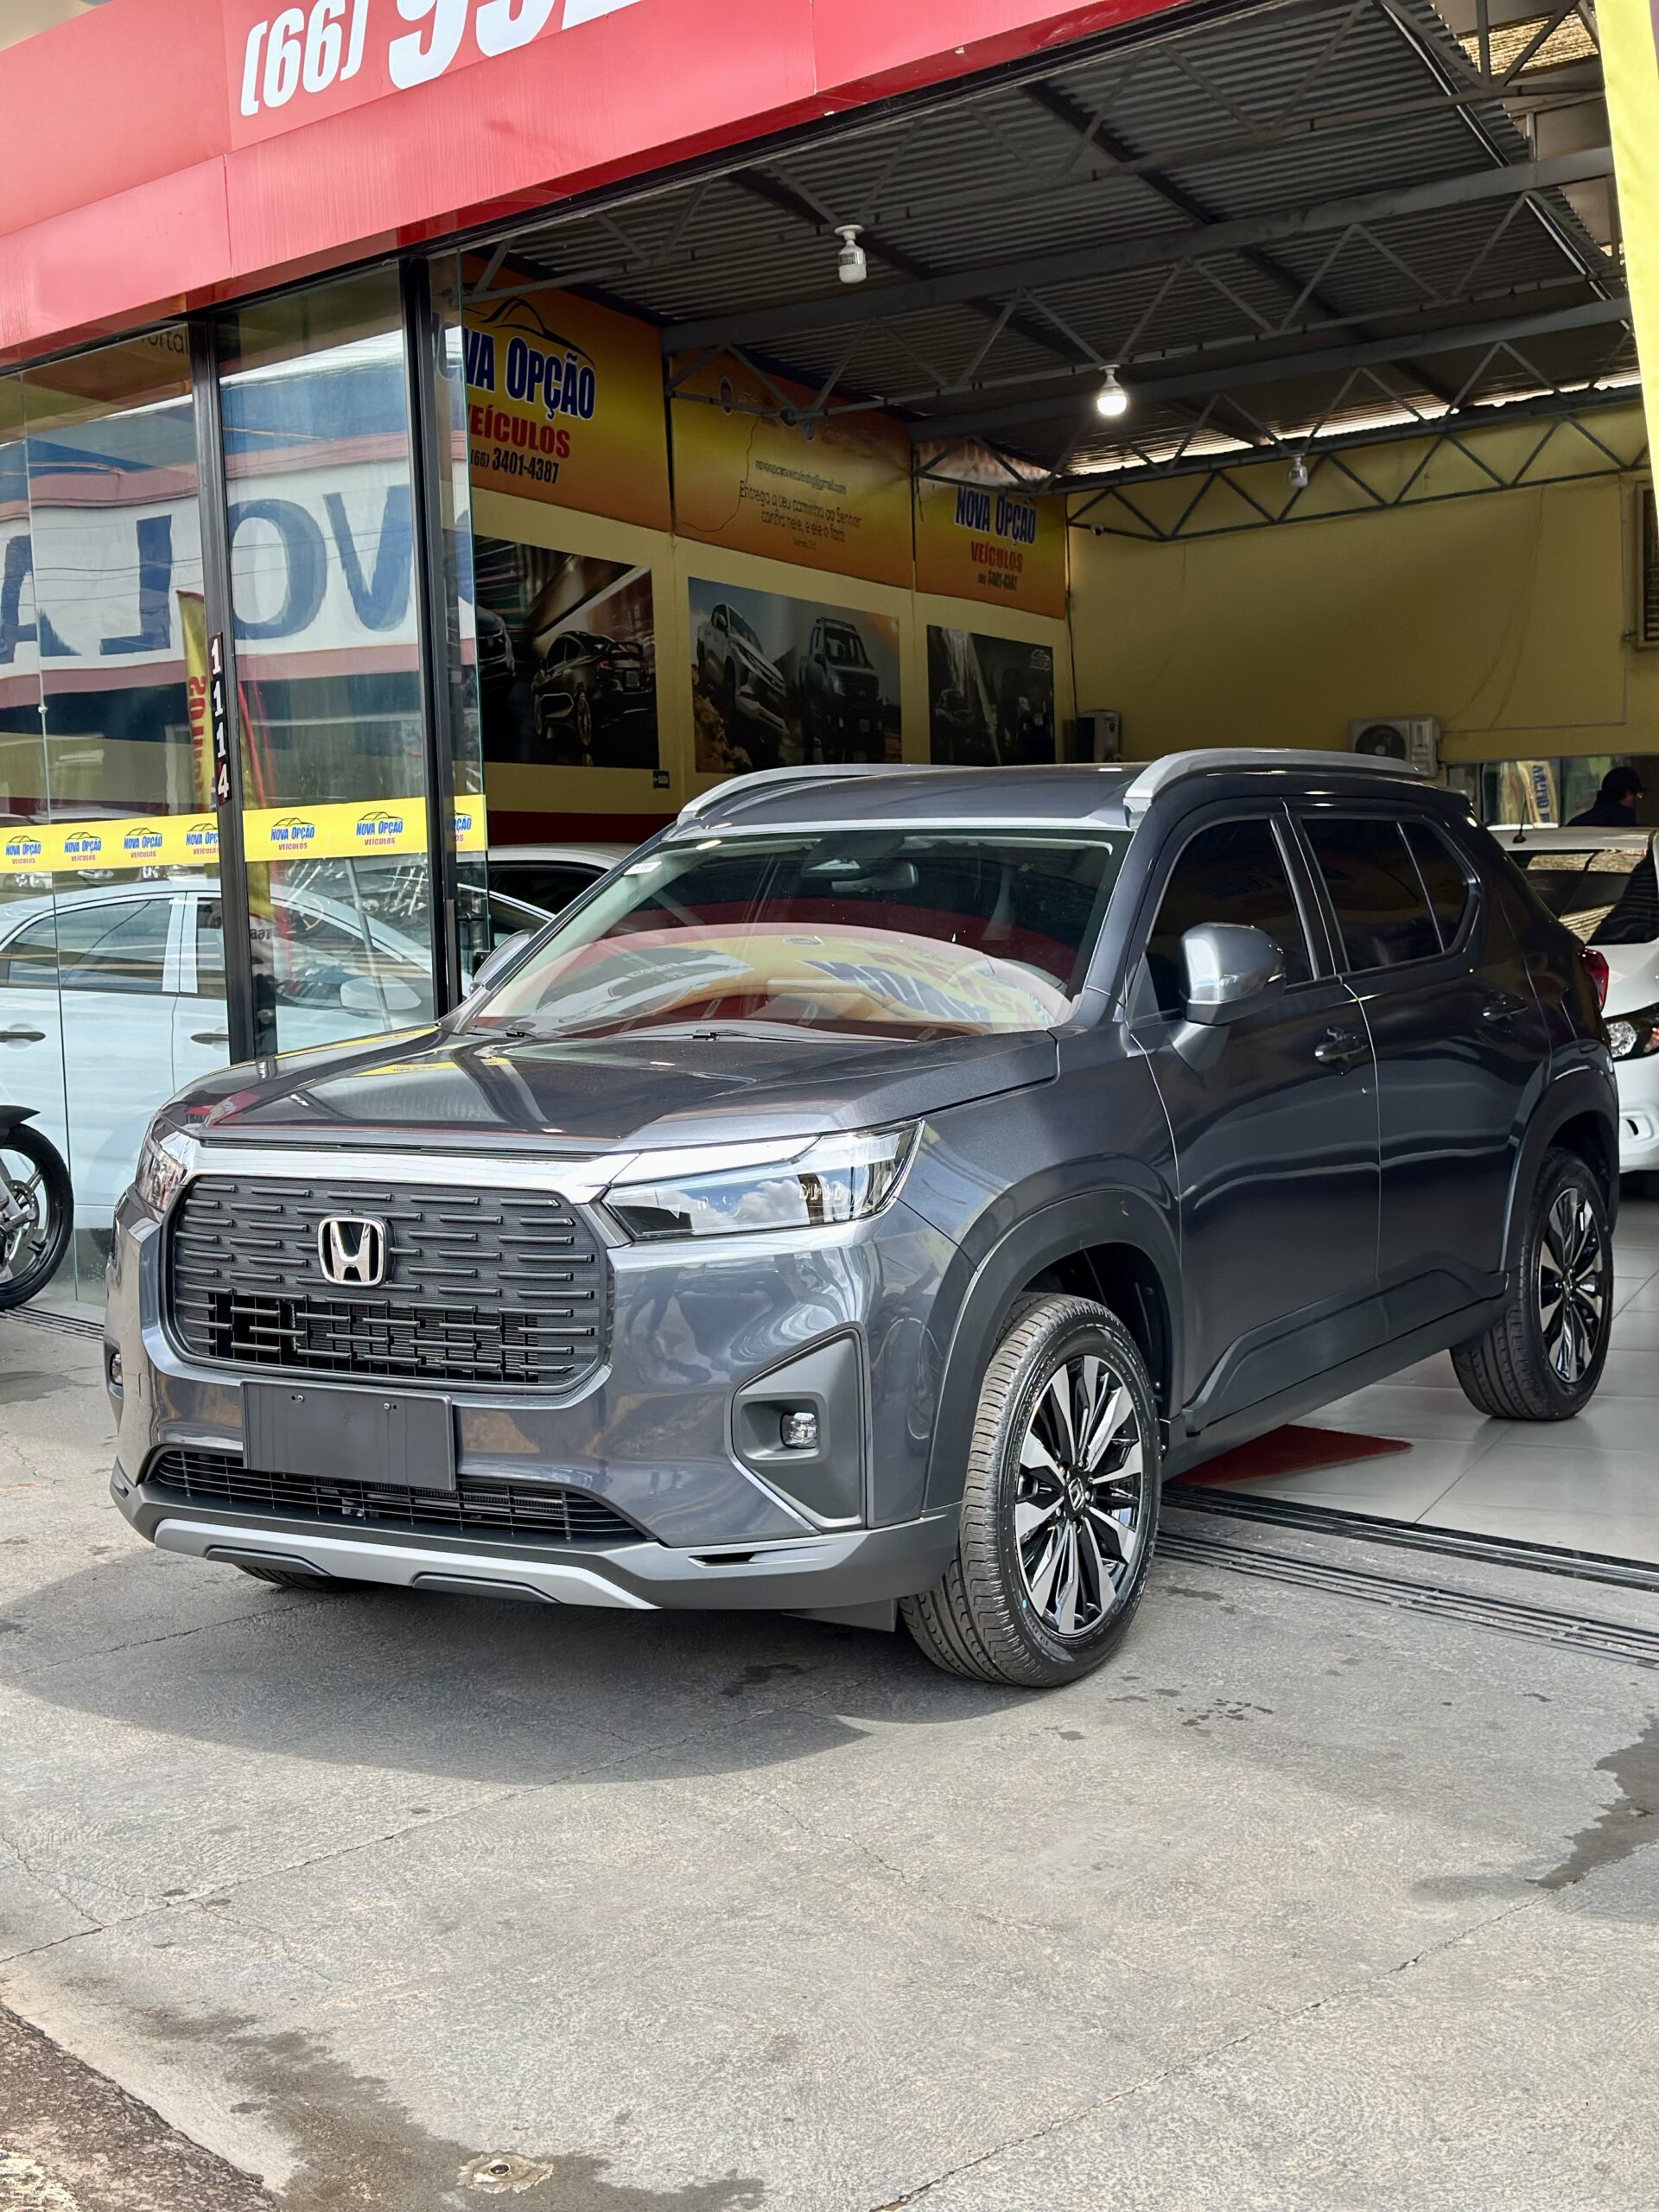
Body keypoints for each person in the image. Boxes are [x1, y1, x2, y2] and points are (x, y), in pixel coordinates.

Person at [1570, 765, 1645, 826]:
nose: (1638, 802)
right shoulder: (1630, 829)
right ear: (1628, 794)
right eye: (1638, 795)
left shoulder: (1575, 825)